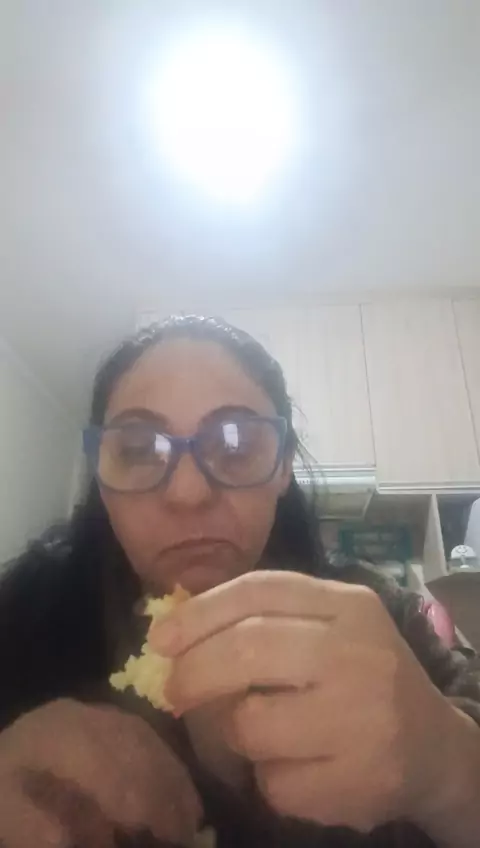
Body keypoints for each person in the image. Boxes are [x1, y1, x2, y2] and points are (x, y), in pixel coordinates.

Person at [1, 314, 480, 848]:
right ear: (100, 476)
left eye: (234, 445)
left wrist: (449, 765)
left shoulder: (381, 613)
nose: (187, 493)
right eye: (138, 450)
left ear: (282, 466)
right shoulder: (23, 622)